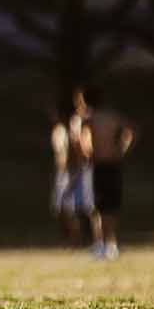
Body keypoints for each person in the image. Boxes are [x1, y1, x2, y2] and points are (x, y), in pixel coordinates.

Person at [71, 87, 138, 259]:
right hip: (113, 163)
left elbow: (82, 140)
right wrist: (121, 150)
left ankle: (101, 243)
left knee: (97, 207)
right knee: (111, 205)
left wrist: (85, 155)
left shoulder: (86, 118)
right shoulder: (112, 116)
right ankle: (111, 243)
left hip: (97, 165)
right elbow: (131, 130)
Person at [49, 101, 92, 247]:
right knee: (60, 209)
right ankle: (69, 238)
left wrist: (75, 174)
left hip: (72, 172)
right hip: (62, 173)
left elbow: (77, 154)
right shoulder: (58, 130)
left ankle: (77, 240)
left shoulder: (71, 132)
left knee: (73, 209)